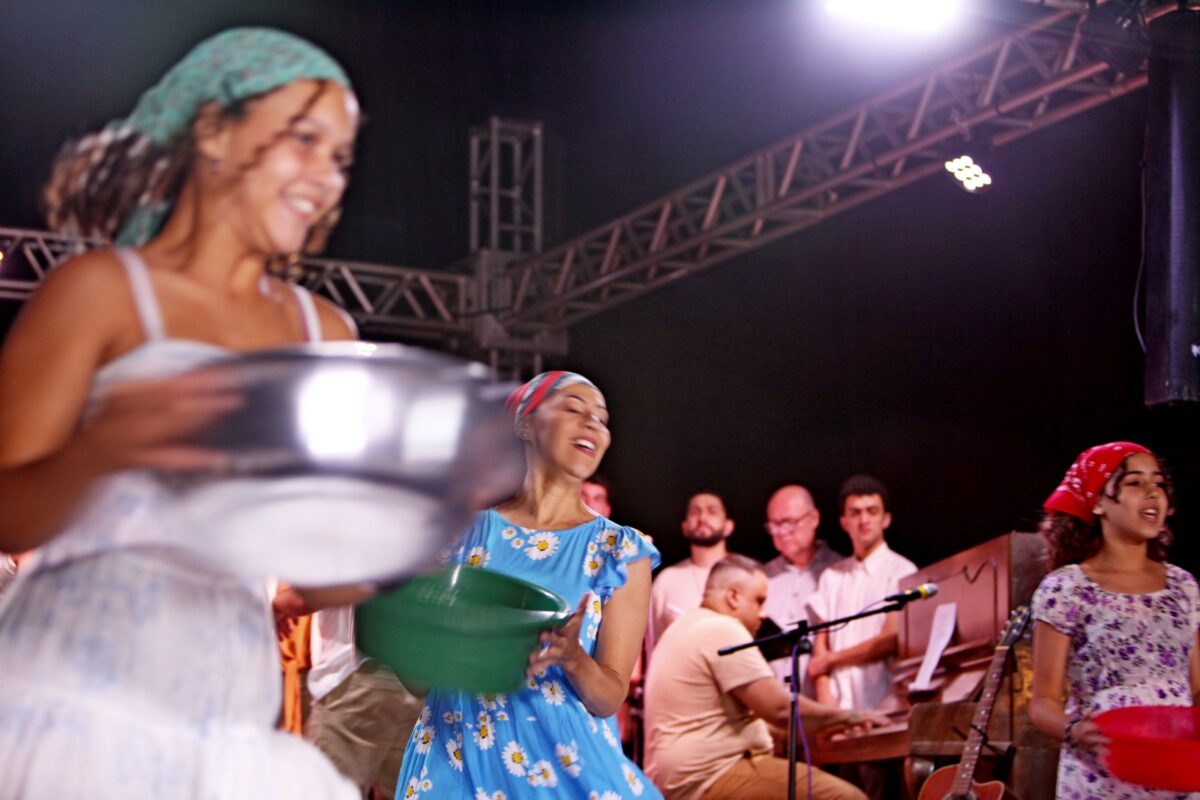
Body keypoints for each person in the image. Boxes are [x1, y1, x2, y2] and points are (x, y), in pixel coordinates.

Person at [0, 28, 364, 797]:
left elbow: (307, 578)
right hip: (72, 698)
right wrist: (105, 447)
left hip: (228, 706)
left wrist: (385, 541)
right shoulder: (98, 292)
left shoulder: (326, 334)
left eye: (339, 157)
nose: (326, 177)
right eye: (304, 139)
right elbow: (8, 515)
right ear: (214, 131)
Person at [394, 370, 661, 799]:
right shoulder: (458, 535)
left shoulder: (620, 550)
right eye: (574, 409)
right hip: (455, 761)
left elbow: (609, 696)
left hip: (562, 772)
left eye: (602, 418)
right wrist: (401, 612)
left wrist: (573, 658)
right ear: (524, 423)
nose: (593, 423)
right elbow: (419, 681)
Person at [1029, 441, 1200, 799]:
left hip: (1176, 767)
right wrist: (1075, 730)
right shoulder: (1067, 587)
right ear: (1097, 501)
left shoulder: (1184, 585)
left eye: (1159, 484)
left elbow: (1197, 686)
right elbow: (1043, 702)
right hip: (1104, 771)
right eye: (1134, 483)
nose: (1152, 493)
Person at [643, 554, 880, 800]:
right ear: (733, 596)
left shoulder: (686, 626)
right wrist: (851, 717)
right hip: (709, 776)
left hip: (681, 779)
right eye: (759, 601)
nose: (764, 613)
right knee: (847, 798)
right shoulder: (722, 628)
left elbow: (732, 719)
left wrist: (823, 724)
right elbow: (779, 710)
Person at [807, 475, 915, 710]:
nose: (864, 519)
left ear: (886, 519)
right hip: (836, 705)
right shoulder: (831, 577)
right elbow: (820, 645)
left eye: (872, 511)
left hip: (883, 701)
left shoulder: (902, 571)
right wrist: (826, 700)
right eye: (855, 512)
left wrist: (830, 660)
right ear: (844, 522)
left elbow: (890, 639)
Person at [761, 484, 842, 694]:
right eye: (774, 525)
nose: (781, 533)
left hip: (826, 703)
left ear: (814, 518)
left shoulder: (840, 572)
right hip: (773, 704)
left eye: (789, 523)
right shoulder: (761, 577)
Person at [645, 491, 735, 658]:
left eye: (712, 511)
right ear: (684, 527)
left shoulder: (748, 574)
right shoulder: (667, 580)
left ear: (728, 525)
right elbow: (653, 647)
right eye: (694, 512)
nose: (702, 518)